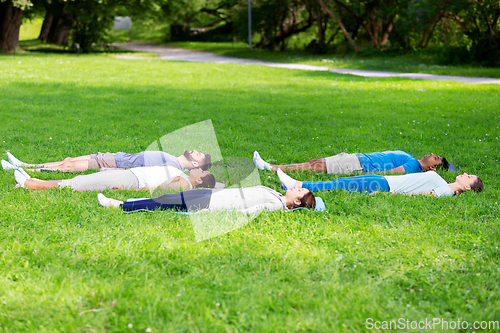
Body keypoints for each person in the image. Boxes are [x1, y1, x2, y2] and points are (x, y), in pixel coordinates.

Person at [97, 186, 316, 214]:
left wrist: (209, 214)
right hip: (212, 194)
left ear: (296, 202)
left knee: (166, 203)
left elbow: (247, 212)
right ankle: (133, 202)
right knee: (167, 198)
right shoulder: (277, 195)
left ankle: (121, 205)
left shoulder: (276, 205)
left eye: (299, 190)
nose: (296, 187)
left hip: (211, 204)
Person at [277, 169, 483, 197]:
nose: (465, 173)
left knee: (339, 184)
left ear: (467, 187)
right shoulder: (444, 183)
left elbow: (424, 196)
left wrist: (386, 195)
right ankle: (296, 183)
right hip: (385, 181)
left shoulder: (447, 191)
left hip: (386, 187)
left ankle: (295, 184)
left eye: (469, 177)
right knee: (341, 181)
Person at [14, 165, 215, 192]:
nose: (199, 169)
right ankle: (34, 180)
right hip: (131, 175)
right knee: (83, 179)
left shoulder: (184, 183)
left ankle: (31, 185)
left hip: (131, 181)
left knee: (79, 184)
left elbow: (158, 191)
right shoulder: (182, 175)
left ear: (199, 181)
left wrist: (128, 191)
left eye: (202, 172)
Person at [253, 150, 449, 175]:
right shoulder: (412, 159)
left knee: (313, 166)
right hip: (357, 158)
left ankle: (271, 167)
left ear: (432, 167)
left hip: (358, 165)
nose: (433, 154)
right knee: (314, 162)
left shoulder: (414, 166)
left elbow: (394, 172)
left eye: (436, 158)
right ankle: (274, 167)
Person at [2, 150, 211, 172]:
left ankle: (25, 172)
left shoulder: (172, 167)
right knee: (69, 159)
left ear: (195, 164)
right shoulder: (173, 158)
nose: (196, 151)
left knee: (68, 166)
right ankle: (24, 165)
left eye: (199, 155)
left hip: (116, 164)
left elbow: (144, 173)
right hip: (115, 156)